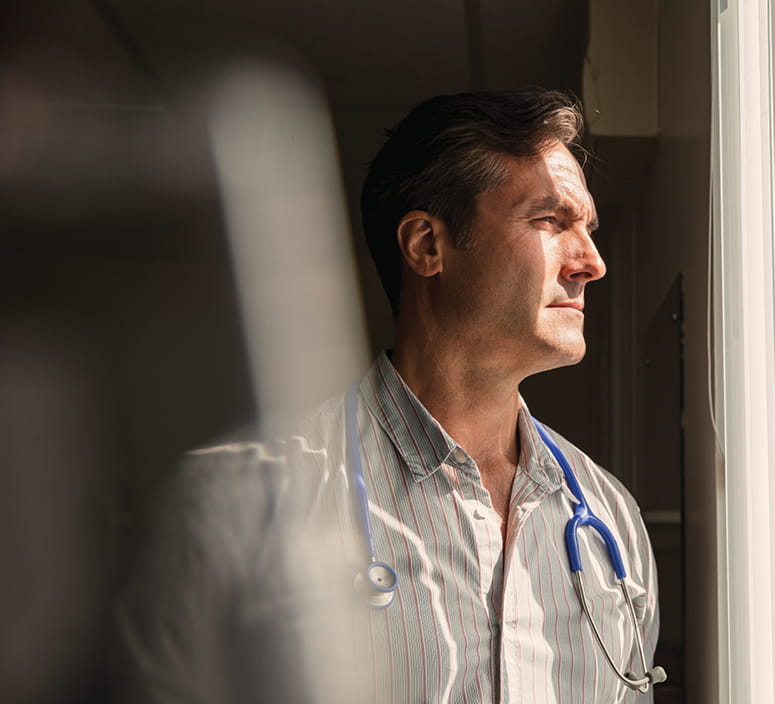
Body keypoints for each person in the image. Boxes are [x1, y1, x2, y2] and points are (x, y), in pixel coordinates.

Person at [118, 87, 660, 703]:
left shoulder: (609, 521)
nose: (591, 262)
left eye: (587, 226)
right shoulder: (238, 502)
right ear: (428, 245)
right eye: (549, 220)